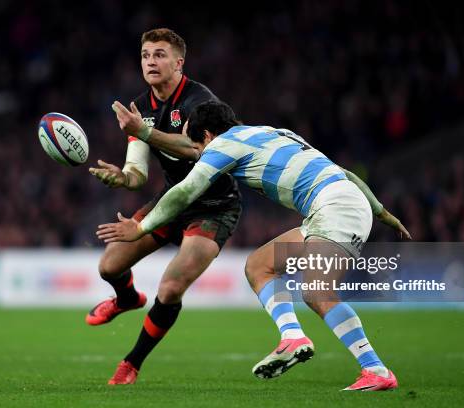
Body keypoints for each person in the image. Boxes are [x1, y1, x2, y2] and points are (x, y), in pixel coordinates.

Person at [97, 101, 412, 391]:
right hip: (338, 204)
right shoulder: (273, 132)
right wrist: (382, 212)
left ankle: (376, 370)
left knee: (317, 292)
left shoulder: (221, 145)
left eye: (196, 146)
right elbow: (345, 174)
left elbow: (185, 192)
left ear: (206, 135)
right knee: (259, 266)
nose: (198, 153)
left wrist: (140, 227)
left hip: (334, 208)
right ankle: (292, 337)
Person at [87, 29, 241, 385]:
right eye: (145, 55)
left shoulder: (200, 102)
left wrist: (143, 132)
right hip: (173, 199)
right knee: (109, 266)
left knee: (170, 288)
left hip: (214, 206)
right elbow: (138, 172)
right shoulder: (141, 107)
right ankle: (126, 299)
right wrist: (121, 178)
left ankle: (131, 363)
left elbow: (195, 149)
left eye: (159, 54)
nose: (151, 62)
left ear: (178, 62)